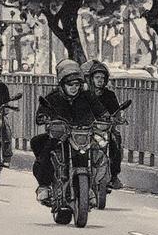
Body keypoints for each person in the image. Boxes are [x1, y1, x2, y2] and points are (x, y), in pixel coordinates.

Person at [31, 59, 108, 205]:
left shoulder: (87, 96)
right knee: (42, 146)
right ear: (62, 84)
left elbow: (100, 111)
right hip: (60, 136)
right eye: (70, 84)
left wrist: (107, 117)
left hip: (83, 136)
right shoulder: (53, 97)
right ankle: (44, 186)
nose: (74, 88)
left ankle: (91, 188)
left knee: (99, 152)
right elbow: (42, 111)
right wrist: (44, 117)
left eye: (77, 85)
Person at [83, 60, 124, 189]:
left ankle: (113, 175)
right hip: (85, 129)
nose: (100, 80)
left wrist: (117, 119)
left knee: (115, 141)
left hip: (104, 129)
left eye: (102, 78)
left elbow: (116, 112)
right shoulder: (84, 94)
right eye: (97, 77)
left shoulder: (109, 95)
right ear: (91, 79)